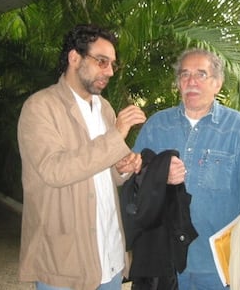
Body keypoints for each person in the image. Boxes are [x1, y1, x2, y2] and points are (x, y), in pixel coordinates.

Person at [17, 24, 147, 290]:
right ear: (74, 58)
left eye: (112, 64)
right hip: (64, 260)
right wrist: (117, 134)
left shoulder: (105, 109)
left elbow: (107, 171)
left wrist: (122, 168)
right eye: (101, 62)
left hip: (109, 255)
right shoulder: (40, 108)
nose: (109, 71)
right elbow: (55, 171)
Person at [132, 48, 240, 289]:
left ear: (218, 83)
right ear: (178, 83)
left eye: (201, 74)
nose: (191, 81)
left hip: (216, 267)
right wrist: (156, 175)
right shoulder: (157, 127)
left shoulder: (238, 129)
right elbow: (135, 186)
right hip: (164, 265)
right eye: (184, 75)